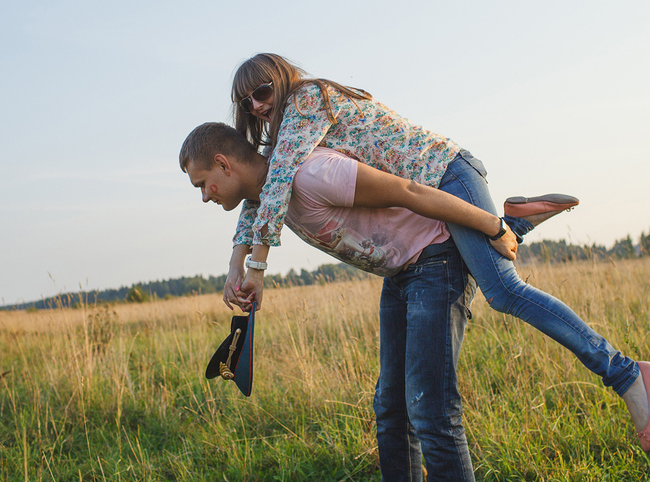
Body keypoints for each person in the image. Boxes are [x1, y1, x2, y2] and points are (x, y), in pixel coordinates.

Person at [225, 53, 650, 454]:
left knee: (504, 291)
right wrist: (234, 264)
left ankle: (626, 374)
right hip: (433, 196)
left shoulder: (304, 100)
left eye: (262, 93)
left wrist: (257, 268)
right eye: (246, 104)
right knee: (491, 272)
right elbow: (260, 195)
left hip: (446, 176)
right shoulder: (285, 139)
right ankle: (515, 221)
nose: (258, 107)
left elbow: (277, 184)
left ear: (283, 82)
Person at [179, 121, 576, 480]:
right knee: (390, 411)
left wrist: (494, 227)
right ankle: (516, 221)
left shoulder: (314, 173)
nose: (203, 197)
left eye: (202, 184)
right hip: (401, 272)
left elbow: (408, 191)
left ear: (223, 163)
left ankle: (511, 224)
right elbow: (255, 209)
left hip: (436, 256)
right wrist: (238, 265)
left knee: (429, 410)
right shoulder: (268, 196)